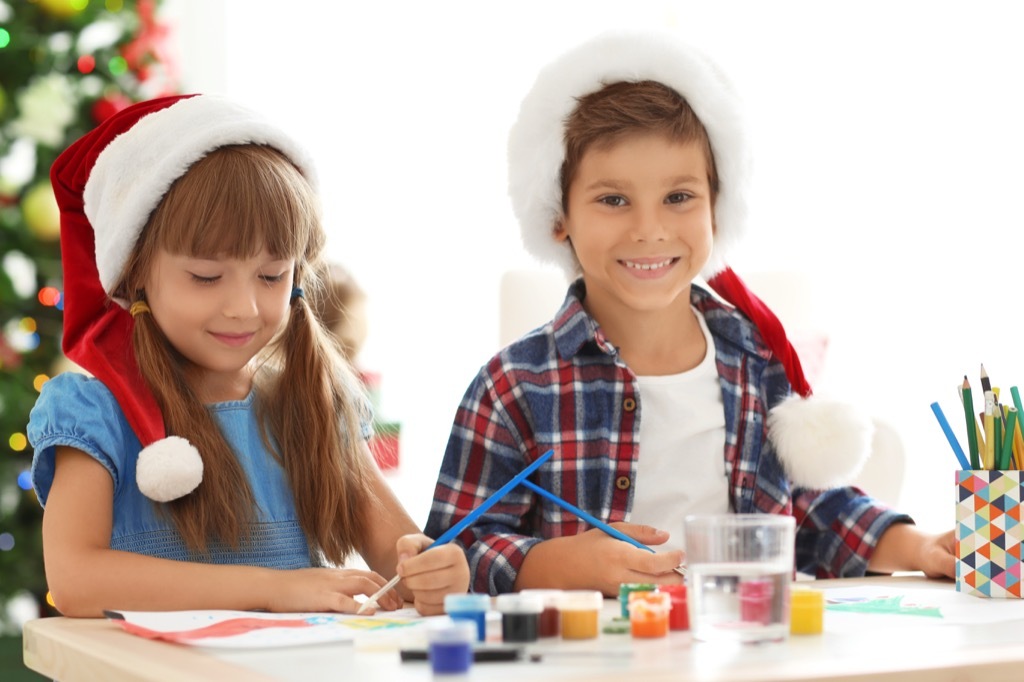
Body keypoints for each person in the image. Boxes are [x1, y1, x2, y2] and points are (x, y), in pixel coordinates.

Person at [425, 31, 955, 597]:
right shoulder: (512, 386)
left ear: (718, 211)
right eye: (613, 199)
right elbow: (455, 551)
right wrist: (558, 565)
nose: (649, 229)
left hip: (737, 648)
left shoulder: (755, 360)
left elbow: (811, 509)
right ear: (560, 217)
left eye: (678, 197)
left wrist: (922, 549)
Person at [28, 94, 468, 617]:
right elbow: (77, 580)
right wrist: (273, 589)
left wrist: (435, 573)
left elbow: (404, 563)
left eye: (271, 275)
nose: (244, 308)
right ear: (136, 270)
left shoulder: (312, 405)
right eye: (206, 277)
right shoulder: (95, 412)